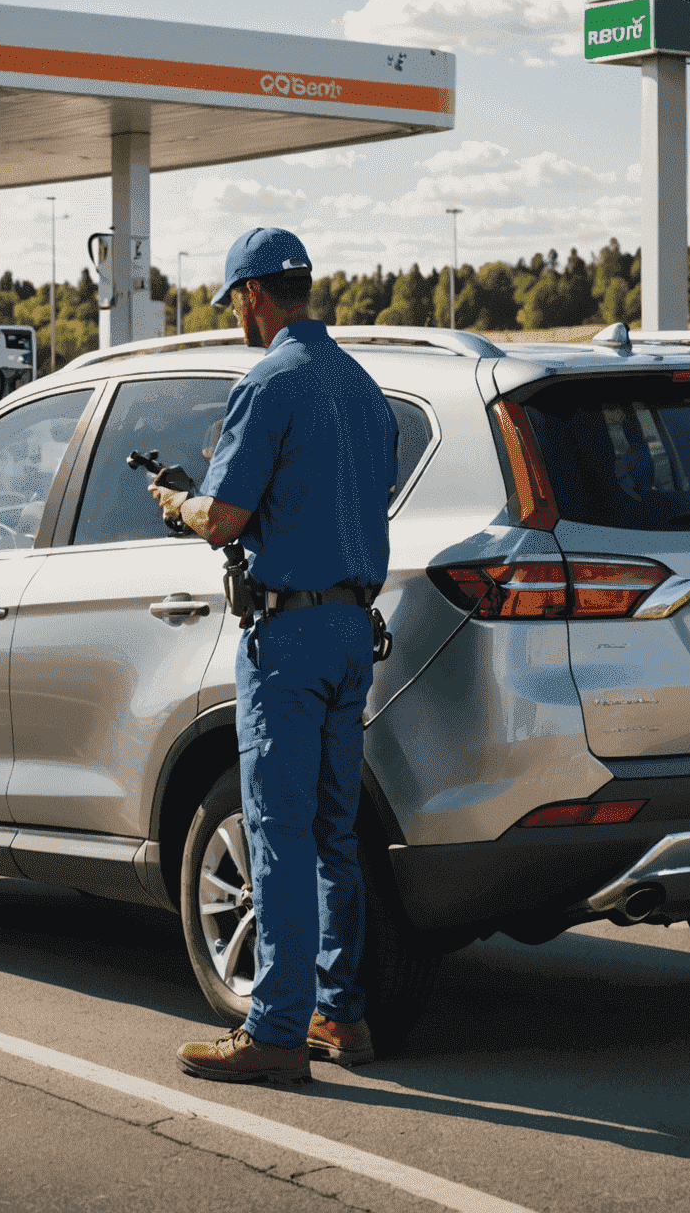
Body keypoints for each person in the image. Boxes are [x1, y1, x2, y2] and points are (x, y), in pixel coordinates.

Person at [150, 226, 398, 1085]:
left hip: (288, 637)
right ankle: (340, 1014)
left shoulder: (269, 382)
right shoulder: (365, 389)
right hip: (352, 631)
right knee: (334, 830)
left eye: (236, 303)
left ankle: (275, 1030)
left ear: (255, 294)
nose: (238, 319)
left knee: (277, 833)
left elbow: (223, 518)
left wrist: (181, 504)